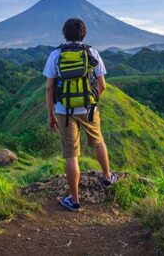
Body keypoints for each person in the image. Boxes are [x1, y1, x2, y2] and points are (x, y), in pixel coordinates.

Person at [43, 18, 117, 212]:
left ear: (64, 33)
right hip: (89, 109)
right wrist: (90, 101)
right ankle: (107, 177)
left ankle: (74, 200)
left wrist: (50, 115)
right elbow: (102, 86)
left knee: (71, 154)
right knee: (98, 141)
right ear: (83, 34)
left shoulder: (55, 54)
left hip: (63, 110)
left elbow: (50, 87)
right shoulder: (92, 52)